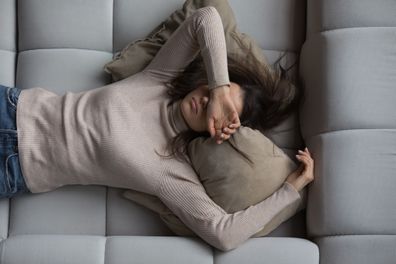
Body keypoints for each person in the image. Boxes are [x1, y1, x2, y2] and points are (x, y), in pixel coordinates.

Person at [0, 6, 314, 251]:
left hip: (14, 168)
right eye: (216, 93)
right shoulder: (158, 80)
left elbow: (225, 234)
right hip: (13, 108)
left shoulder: (170, 171)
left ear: (223, 133)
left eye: (222, 113)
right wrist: (221, 89)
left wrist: (288, 191)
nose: (207, 102)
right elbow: (206, 18)